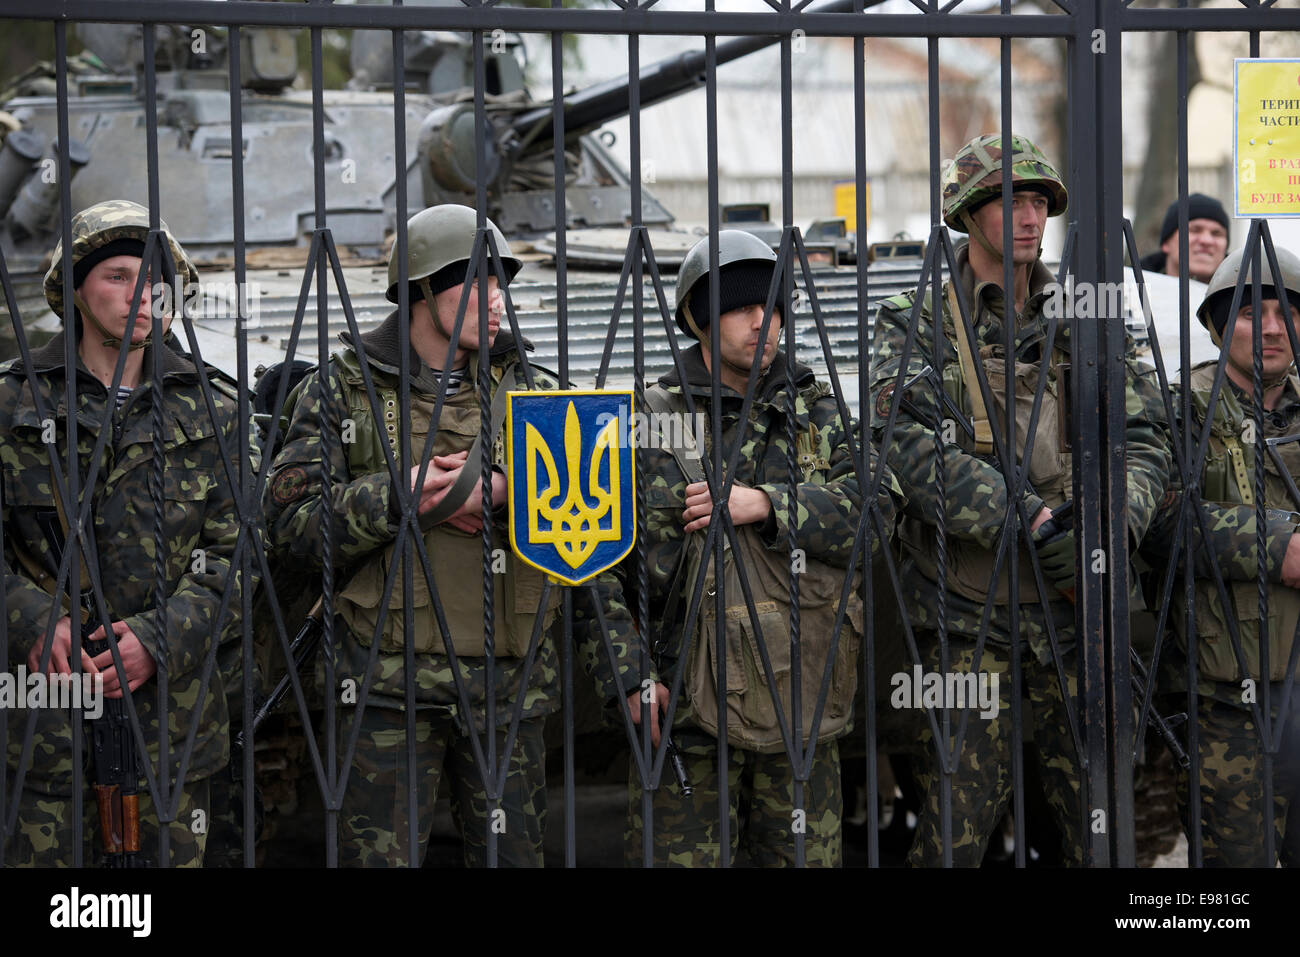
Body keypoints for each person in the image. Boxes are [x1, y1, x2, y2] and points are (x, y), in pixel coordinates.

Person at [262, 203, 644, 867]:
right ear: (419, 291)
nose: (495, 299)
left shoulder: (539, 395)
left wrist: (506, 491)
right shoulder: (341, 391)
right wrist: (400, 494)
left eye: (500, 282)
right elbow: (292, 529)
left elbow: (594, 542)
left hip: (510, 686)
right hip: (384, 688)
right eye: (474, 281)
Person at [869, 133, 1172, 866]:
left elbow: (1145, 435)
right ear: (968, 214)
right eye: (1010, 200)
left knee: (1102, 838)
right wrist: (1026, 518)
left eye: (1039, 201)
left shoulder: (1085, 313)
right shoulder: (917, 321)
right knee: (954, 833)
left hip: (1079, 618)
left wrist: (1111, 520)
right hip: (967, 617)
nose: (1031, 216)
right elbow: (903, 444)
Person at [599, 228, 900, 867]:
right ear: (698, 320)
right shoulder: (644, 419)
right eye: (739, 307)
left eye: (774, 305)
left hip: (804, 698)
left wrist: (766, 503)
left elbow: (879, 515)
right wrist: (626, 674)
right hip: (684, 703)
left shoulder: (818, 411)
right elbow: (596, 562)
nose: (762, 321)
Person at [2, 199, 249, 866]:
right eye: (117, 275)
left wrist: (157, 638)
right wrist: (31, 618)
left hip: (172, 721)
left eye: (156, 280)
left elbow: (242, 555)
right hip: (40, 722)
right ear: (75, 291)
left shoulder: (216, 410)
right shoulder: (13, 402)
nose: (142, 293)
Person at [1142, 245, 1300, 866]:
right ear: (1215, 324)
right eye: (1247, 313)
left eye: (1285, 310)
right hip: (1228, 696)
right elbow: (1155, 523)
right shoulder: (1176, 407)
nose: (1269, 327)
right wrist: (1278, 544)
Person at [1139, 193, 1230, 283]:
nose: (1207, 240)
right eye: (1195, 230)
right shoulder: (1131, 290)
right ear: (1166, 243)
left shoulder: (1243, 293)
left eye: (1216, 233)